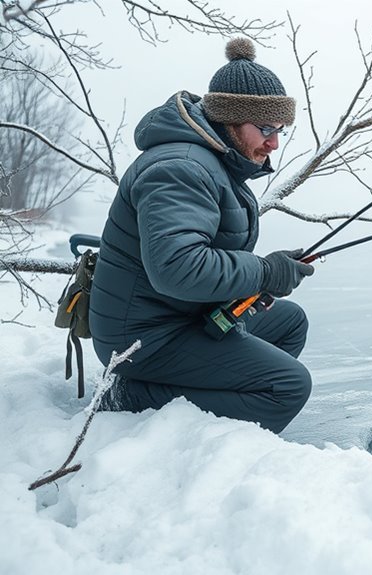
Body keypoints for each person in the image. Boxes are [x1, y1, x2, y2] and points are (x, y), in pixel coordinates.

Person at [90, 38, 315, 434]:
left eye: (280, 130)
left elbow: (194, 254)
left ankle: (214, 422)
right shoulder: (180, 168)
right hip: (141, 339)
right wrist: (262, 272)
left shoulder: (215, 161)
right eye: (265, 128)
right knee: (288, 386)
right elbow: (177, 268)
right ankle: (129, 397)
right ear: (230, 119)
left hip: (177, 316)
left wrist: (253, 283)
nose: (274, 142)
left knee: (289, 321)